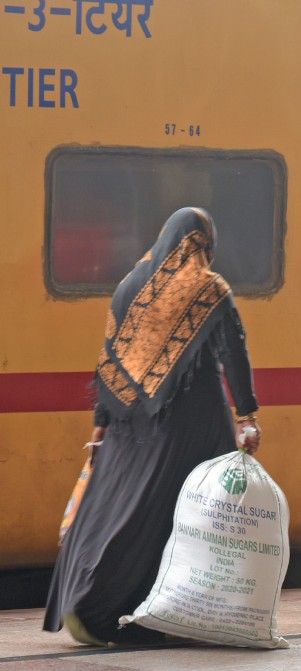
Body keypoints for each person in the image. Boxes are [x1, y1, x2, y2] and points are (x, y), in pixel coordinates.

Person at [45, 207, 262, 646]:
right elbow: (233, 351)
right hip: (190, 423)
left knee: (112, 507)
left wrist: (100, 427)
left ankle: (84, 596)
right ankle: (118, 608)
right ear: (203, 244)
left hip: (127, 423)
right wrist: (247, 416)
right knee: (183, 517)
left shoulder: (129, 287)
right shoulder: (208, 286)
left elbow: (108, 359)